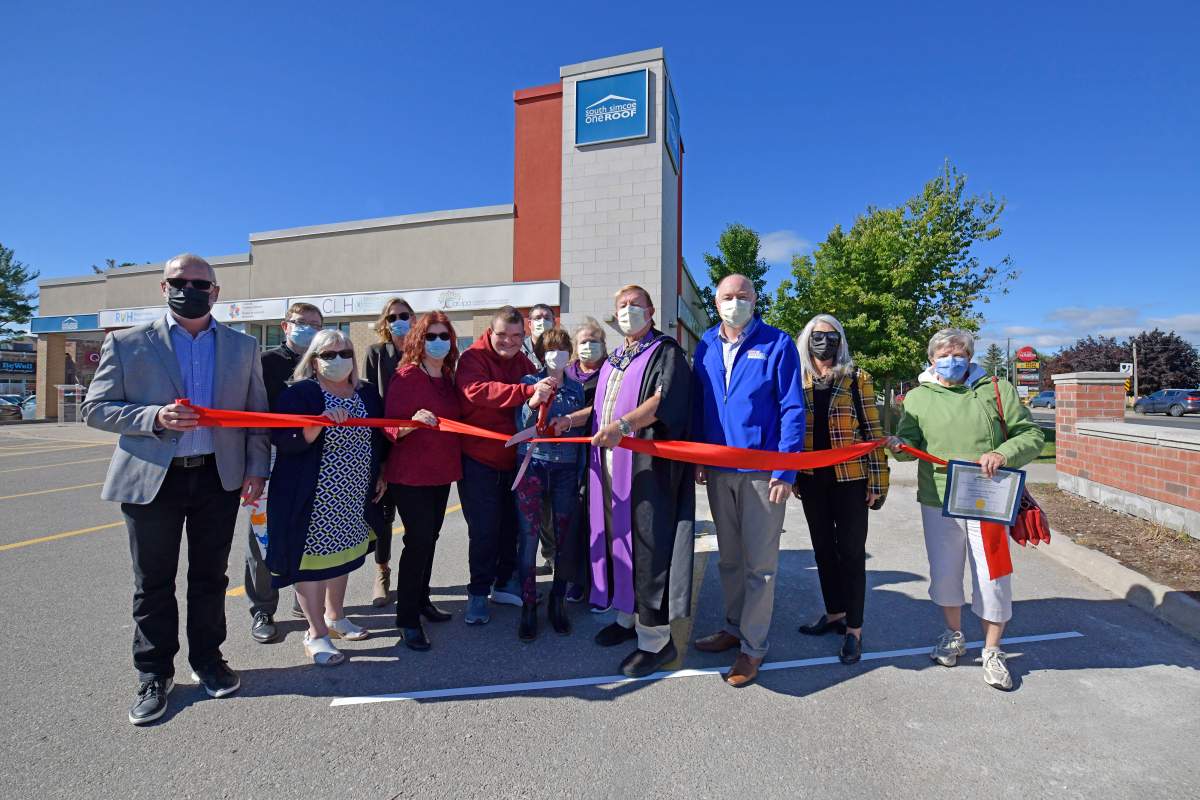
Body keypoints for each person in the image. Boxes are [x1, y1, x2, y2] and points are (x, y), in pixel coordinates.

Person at [82, 253, 269, 725]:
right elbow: (96, 408)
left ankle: (208, 659)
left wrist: (256, 470)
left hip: (216, 477)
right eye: (179, 281)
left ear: (216, 292)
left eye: (201, 283)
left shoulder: (242, 347)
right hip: (153, 478)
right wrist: (153, 418)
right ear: (164, 288)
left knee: (210, 578)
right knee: (153, 582)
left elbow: (256, 417)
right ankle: (153, 672)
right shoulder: (128, 344)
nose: (190, 289)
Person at [886, 328, 1044, 691]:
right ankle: (953, 634)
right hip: (938, 497)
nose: (951, 359)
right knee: (944, 572)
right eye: (944, 353)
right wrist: (900, 444)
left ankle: (992, 649)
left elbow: (1031, 435)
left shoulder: (997, 390)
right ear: (931, 359)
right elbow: (910, 438)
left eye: (959, 353)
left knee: (992, 574)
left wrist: (1003, 453)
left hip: (986, 497)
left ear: (970, 356)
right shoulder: (917, 398)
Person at [555, 285, 693, 678]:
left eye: (636, 304)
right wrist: (570, 420)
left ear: (651, 309)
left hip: (647, 465)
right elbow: (599, 408)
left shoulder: (665, 351)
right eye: (622, 306)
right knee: (617, 537)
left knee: (648, 543)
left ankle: (656, 640)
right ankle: (626, 617)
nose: (629, 310)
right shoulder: (615, 359)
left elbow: (663, 401)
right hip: (609, 465)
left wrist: (624, 425)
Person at [690, 275, 806, 688]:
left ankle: (753, 648)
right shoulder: (704, 345)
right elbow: (702, 404)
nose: (734, 302)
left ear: (755, 300)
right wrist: (700, 458)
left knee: (761, 566)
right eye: (727, 297)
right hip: (720, 470)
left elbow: (793, 409)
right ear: (715, 301)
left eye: (743, 296)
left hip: (763, 474)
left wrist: (785, 470)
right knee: (730, 560)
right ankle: (734, 626)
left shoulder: (778, 343)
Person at [267, 329, 388, 666]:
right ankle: (316, 632)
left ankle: (336, 616)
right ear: (314, 361)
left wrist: (380, 472)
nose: (339, 361)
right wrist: (317, 424)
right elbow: (284, 438)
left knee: (342, 555)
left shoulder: (365, 393)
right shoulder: (300, 393)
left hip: (352, 494)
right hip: (311, 495)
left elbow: (378, 437)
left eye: (345, 353)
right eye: (329, 355)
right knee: (311, 562)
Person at [792, 314, 889, 666]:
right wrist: (790, 474)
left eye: (832, 337)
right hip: (811, 479)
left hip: (850, 480)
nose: (825, 342)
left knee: (850, 553)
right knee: (822, 551)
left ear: (841, 341)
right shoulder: (795, 378)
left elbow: (873, 431)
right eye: (819, 336)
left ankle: (854, 629)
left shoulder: (856, 377)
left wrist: (877, 482)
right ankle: (834, 613)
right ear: (807, 339)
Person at [456, 306, 548, 624]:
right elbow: (477, 391)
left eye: (515, 336)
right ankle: (478, 594)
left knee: (511, 527)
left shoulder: (522, 361)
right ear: (490, 332)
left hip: (514, 461)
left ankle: (505, 582)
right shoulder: (472, 358)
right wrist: (526, 391)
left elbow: (538, 389)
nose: (508, 341)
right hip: (478, 461)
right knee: (483, 531)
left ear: (523, 337)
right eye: (502, 335)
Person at [244, 302, 324, 644]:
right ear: (284, 325)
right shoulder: (265, 364)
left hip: (309, 461)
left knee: (307, 531)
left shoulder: (323, 363)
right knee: (262, 540)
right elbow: (251, 419)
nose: (306, 328)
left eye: (314, 324)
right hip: (271, 460)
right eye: (300, 323)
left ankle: (303, 599)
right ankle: (263, 608)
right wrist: (254, 468)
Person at [384, 311, 462, 651]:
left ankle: (423, 599)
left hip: (440, 471)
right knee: (417, 542)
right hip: (411, 474)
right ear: (419, 340)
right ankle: (407, 618)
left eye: (444, 336)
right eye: (431, 336)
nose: (438, 342)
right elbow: (388, 426)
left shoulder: (446, 377)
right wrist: (412, 422)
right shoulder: (406, 376)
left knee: (431, 537)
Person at [513, 327, 586, 641]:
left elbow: (581, 430)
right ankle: (529, 602)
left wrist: (581, 470)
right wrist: (534, 401)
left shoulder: (577, 389)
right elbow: (521, 425)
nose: (557, 354)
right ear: (541, 355)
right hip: (533, 465)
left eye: (562, 348)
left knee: (563, 536)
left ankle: (558, 600)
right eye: (550, 349)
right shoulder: (530, 383)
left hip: (566, 468)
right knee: (528, 538)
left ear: (569, 353)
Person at [363, 296, 416, 607]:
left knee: (417, 521)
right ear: (385, 322)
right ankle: (382, 572)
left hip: (416, 447)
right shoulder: (376, 353)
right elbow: (371, 400)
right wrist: (379, 458)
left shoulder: (420, 351)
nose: (399, 320)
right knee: (384, 517)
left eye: (404, 315)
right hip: (385, 443)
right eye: (393, 316)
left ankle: (416, 582)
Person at [562, 317, 607, 605]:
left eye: (594, 340)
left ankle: (602, 578)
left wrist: (571, 419)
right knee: (573, 518)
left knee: (600, 517)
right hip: (568, 457)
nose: (589, 346)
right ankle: (576, 579)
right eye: (583, 341)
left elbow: (602, 409)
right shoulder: (565, 374)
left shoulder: (611, 373)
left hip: (601, 453)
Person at [521, 302, 559, 574]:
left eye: (547, 317)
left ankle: (551, 556)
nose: (541, 321)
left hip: (554, 444)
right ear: (528, 322)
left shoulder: (559, 349)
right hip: (521, 439)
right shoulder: (518, 351)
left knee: (549, 512)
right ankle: (519, 569)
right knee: (524, 512)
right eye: (536, 317)